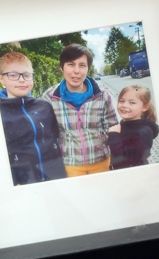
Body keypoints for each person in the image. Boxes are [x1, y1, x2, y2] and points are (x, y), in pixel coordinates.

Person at [42, 44, 118, 176]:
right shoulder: (49, 97)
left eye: (82, 65)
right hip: (69, 165)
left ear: (88, 69)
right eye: (71, 64)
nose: (76, 71)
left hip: (101, 162)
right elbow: (45, 133)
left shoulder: (102, 95)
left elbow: (112, 126)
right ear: (62, 68)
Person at [0, 52, 66, 185]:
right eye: (13, 75)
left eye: (26, 75)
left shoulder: (44, 106)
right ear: (1, 79)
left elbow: (57, 137)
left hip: (57, 177)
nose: (21, 80)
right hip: (25, 182)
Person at [108, 85, 159, 170]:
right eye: (121, 101)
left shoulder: (143, 131)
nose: (124, 105)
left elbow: (127, 160)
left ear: (144, 107)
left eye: (132, 102)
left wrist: (114, 135)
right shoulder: (126, 124)